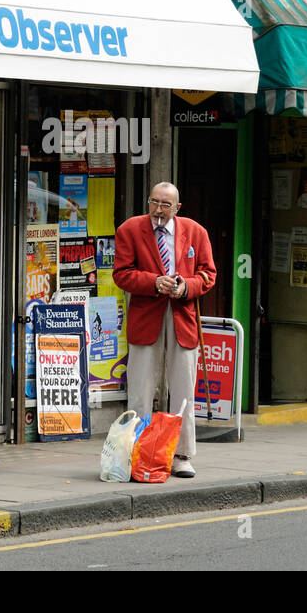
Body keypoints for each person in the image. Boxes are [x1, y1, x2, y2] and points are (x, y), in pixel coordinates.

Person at [112, 182, 216, 477]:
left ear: (177, 208)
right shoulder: (130, 229)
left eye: (165, 204)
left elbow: (208, 274)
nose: (158, 209)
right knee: (141, 388)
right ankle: (137, 455)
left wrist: (187, 287)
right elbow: (121, 274)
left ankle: (181, 455)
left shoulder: (196, 232)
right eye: (154, 202)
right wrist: (153, 282)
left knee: (183, 388)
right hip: (147, 316)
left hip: (182, 316)